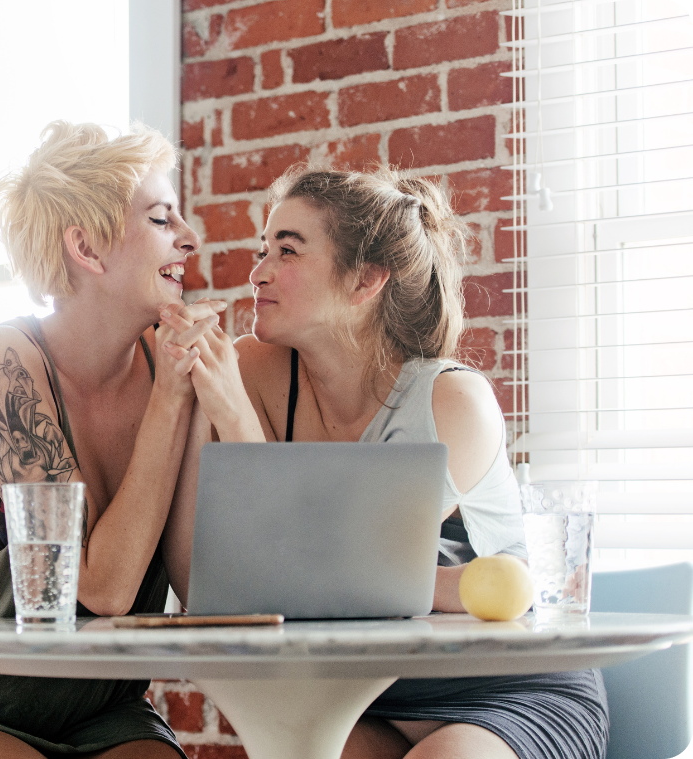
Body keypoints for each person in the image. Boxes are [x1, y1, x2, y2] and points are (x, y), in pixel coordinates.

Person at [161, 166, 609, 759]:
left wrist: (237, 423)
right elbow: (205, 585)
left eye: (287, 251)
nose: (258, 271)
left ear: (365, 280)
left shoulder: (452, 404)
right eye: (262, 248)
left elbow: (344, 578)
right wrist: (193, 405)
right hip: (365, 695)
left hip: (507, 687)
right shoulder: (252, 371)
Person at [0, 121, 222, 759]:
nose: (190, 238)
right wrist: (173, 398)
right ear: (86, 248)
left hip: (104, 712)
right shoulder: (1, 362)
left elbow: (201, 589)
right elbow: (103, 590)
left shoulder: (170, 366)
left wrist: (204, 400)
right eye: (162, 219)